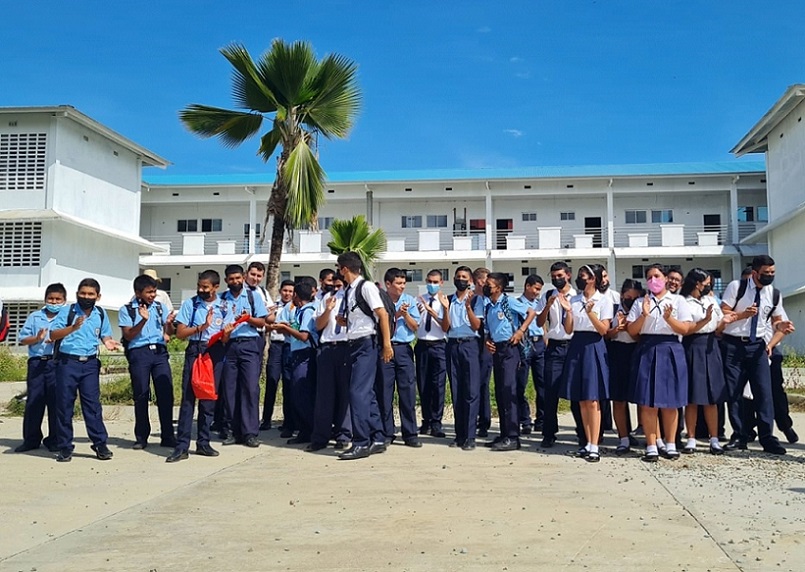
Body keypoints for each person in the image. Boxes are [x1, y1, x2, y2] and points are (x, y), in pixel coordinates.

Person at [720, 255, 788, 455]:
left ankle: (767, 438)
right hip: (733, 344)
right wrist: (742, 315)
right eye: (766, 273)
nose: (770, 276)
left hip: (757, 345)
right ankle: (739, 436)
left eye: (772, 272)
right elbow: (723, 313)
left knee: (764, 393)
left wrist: (781, 326)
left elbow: (776, 320)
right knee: (734, 393)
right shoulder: (737, 287)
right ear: (755, 272)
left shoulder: (774, 294)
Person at [49, 278, 121, 462]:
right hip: (68, 363)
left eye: (90, 294)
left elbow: (105, 334)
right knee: (65, 405)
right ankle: (65, 446)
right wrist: (72, 327)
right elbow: (53, 334)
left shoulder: (100, 313)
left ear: (98, 296)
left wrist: (108, 342)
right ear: (77, 294)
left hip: (89, 364)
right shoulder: (67, 311)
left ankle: (100, 444)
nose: (86, 297)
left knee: (92, 405)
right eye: (83, 293)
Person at [626, 264, 693, 462]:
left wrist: (669, 318)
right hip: (647, 348)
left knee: (670, 402)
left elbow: (685, 329)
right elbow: (632, 331)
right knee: (648, 402)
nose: (653, 280)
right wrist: (644, 315)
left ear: (665, 278)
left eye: (656, 276)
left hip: (670, 347)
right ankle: (651, 445)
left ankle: (670, 443)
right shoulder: (640, 302)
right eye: (649, 277)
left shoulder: (678, 301)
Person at [335, 251, 393, 460]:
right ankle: (378, 437)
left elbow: (382, 314)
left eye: (339, 268)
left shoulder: (365, 287)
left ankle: (361, 442)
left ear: (345, 269)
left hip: (366, 344)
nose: (338, 272)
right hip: (354, 343)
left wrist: (386, 344)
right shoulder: (350, 290)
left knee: (357, 393)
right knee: (366, 394)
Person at [167, 270, 229, 463]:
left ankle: (203, 442)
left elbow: (226, 338)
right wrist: (200, 328)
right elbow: (180, 333)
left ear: (216, 287)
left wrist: (227, 332)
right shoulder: (190, 304)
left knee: (208, 399)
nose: (201, 290)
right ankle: (182, 446)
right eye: (199, 286)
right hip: (195, 350)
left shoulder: (225, 306)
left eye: (205, 287)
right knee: (188, 398)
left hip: (215, 352)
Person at [560, 265, 613, 462]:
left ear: (593, 279)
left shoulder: (604, 300)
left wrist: (591, 313)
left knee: (592, 399)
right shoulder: (574, 299)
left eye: (583, 276)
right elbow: (568, 329)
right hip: (577, 344)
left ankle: (595, 444)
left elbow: (604, 330)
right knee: (582, 399)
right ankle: (587, 442)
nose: (580, 279)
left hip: (593, 345)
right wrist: (568, 312)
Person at [119, 274, 176, 450]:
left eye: (154, 291)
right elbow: (128, 335)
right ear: (138, 293)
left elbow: (169, 332)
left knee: (165, 393)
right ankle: (141, 436)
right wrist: (143, 320)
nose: (152, 295)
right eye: (149, 292)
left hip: (159, 352)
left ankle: (168, 435)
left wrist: (169, 324)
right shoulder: (127, 310)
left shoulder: (159, 307)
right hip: (139, 353)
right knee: (141, 394)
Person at [680, 268, 733, 455]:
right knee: (692, 397)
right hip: (692, 345)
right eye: (706, 283)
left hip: (711, 345)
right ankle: (691, 438)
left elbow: (717, 327)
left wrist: (725, 321)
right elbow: (686, 328)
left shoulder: (711, 300)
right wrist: (705, 320)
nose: (709, 286)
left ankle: (714, 438)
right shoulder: (684, 302)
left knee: (712, 396)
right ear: (697, 284)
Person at [483, 272, 536, 451]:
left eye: (489, 284)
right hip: (497, 348)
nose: (486, 286)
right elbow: (489, 328)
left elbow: (531, 312)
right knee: (500, 391)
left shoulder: (508, 301)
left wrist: (520, 331)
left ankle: (513, 436)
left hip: (510, 348)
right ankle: (504, 433)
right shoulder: (489, 305)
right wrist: (488, 340)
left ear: (498, 287)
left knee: (509, 390)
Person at [219, 264, 268, 448]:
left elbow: (262, 322)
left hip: (249, 344)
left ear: (243, 277)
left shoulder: (253, 296)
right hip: (228, 345)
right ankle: (233, 431)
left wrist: (248, 318)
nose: (235, 281)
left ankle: (250, 433)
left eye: (238, 278)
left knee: (250, 388)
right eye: (231, 279)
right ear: (226, 280)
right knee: (229, 389)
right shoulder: (221, 299)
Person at [15, 283, 67, 453]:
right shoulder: (35, 317)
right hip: (37, 363)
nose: (54, 302)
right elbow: (23, 339)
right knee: (34, 401)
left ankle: (55, 440)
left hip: (57, 362)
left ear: (64, 300)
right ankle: (31, 439)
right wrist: (37, 338)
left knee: (56, 401)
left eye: (58, 299)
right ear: (45, 299)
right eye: (51, 299)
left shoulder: (67, 317)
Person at [375, 268, 422, 448]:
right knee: (385, 392)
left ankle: (410, 433)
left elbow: (415, 326)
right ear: (388, 284)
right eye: (398, 283)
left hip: (403, 349)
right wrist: (395, 314)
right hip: (385, 348)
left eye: (404, 283)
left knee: (407, 392)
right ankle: (387, 432)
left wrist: (405, 314)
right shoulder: (380, 301)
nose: (402, 286)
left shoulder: (409, 300)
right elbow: (379, 323)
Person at [307, 273, 352, 451]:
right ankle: (320, 437)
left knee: (345, 394)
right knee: (325, 395)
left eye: (341, 285)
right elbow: (318, 325)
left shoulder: (354, 298)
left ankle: (344, 435)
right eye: (336, 285)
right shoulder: (327, 298)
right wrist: (328, 310)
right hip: (327, 347)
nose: (338, 288)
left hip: (346, 347)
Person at [271, 280, 319, 445]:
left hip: (305, 355)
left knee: (302, 393)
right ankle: (305, 430)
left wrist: (286, 329)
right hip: (297, 353)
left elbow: (304, 335)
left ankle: (309, 430)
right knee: (297, 393)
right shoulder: (299, 310)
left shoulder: (307, 311)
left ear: (296, 296)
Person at [537, 261, 577, 448]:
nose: (557, 279)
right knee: (550, 392)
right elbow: (539, 322)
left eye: (560, 275)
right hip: (554, 347)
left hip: (574, 346)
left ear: (568, 275)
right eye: (553, 276)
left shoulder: (577, 296)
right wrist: (547, 306)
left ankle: (582, 432)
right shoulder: (548, 295)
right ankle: (549, 433)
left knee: (576, 392)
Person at [446, 265, 484, 450]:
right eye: (458, 276)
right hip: (453, 344)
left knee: (471, 391)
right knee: (457, 390)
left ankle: (470, 436)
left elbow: (477, 325)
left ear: (470, 281)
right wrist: (444, 309)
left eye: (464, 277)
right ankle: (459, 434)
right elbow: (446, 326)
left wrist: (468, 307)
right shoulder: (449, 300)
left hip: (470, 345)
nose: (460, 279)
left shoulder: (476, 299)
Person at [604, 279, 643, 455]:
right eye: (628, 297)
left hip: (636, 352)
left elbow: (641, 336)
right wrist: (617, 329)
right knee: (619, 399)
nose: (631, 301)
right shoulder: (613, 309)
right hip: (617, 353)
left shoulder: (642, 310)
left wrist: (630, 328)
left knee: (642, 397)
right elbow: (606, 334)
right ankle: (623, 438)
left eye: (634, 298)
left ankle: (648, 432)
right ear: (621, 295)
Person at [415, 269, 450, 438]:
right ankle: (426, 421)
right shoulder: (418, 300)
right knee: (423, 384)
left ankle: (436, 422)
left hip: (439, 345)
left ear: (441, 283)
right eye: (429, 281)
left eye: (435, 282)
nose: (432, 285)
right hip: (422, 344)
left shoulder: (444, 301)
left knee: (438, 385)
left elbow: (446, 327)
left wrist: (433, 312)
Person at [261, 279, 295, 432]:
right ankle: (266, 419)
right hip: (275, 346)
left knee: (288, 384)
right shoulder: (274, 306)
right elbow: (265, 325)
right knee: (272, 381)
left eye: (290, 291)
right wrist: (273, 321)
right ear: (280, 291)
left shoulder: (295, 307)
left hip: (289, 346)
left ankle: (288, 421)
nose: (287, 294)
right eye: (285, 290)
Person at [515, 275, 546, 435]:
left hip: (539, 343)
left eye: (539, 290)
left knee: (542, 383)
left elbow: (543, 324)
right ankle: (525, 420)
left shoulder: (540, 304)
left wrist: (545, 341)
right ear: (527, 286)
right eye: (535, 289)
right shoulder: (517, 303)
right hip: (524, 344)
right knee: (521, 383)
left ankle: (541, 419)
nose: (537, 292)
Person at [473, 267, 493, 437]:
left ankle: (484, 422)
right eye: (487, 280)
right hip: (472, 341)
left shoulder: (491, 300)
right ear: (479, 281)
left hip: (487, 342)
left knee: (483, 383)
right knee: (471, 383)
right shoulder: (470, 299)